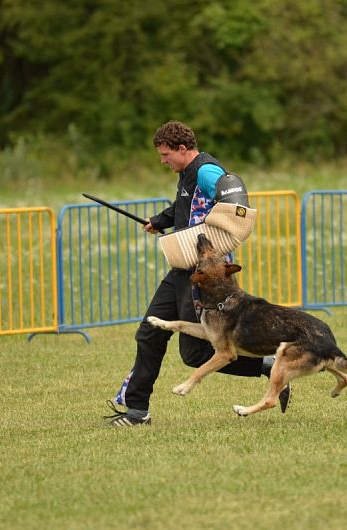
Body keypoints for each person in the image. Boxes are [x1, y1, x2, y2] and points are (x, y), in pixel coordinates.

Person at [105, 120, 290, 426]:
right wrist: (160, 220)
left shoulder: (206, 171)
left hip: (204, 275)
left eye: (166, 154)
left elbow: (234, 203)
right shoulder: (186, 174)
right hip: (182, 267)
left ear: (182, 149)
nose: (163, 160)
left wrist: (215, 236)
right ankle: (137, 412)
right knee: (150, 332)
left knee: (194, 353)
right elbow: (185, 206)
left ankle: (267, 366)